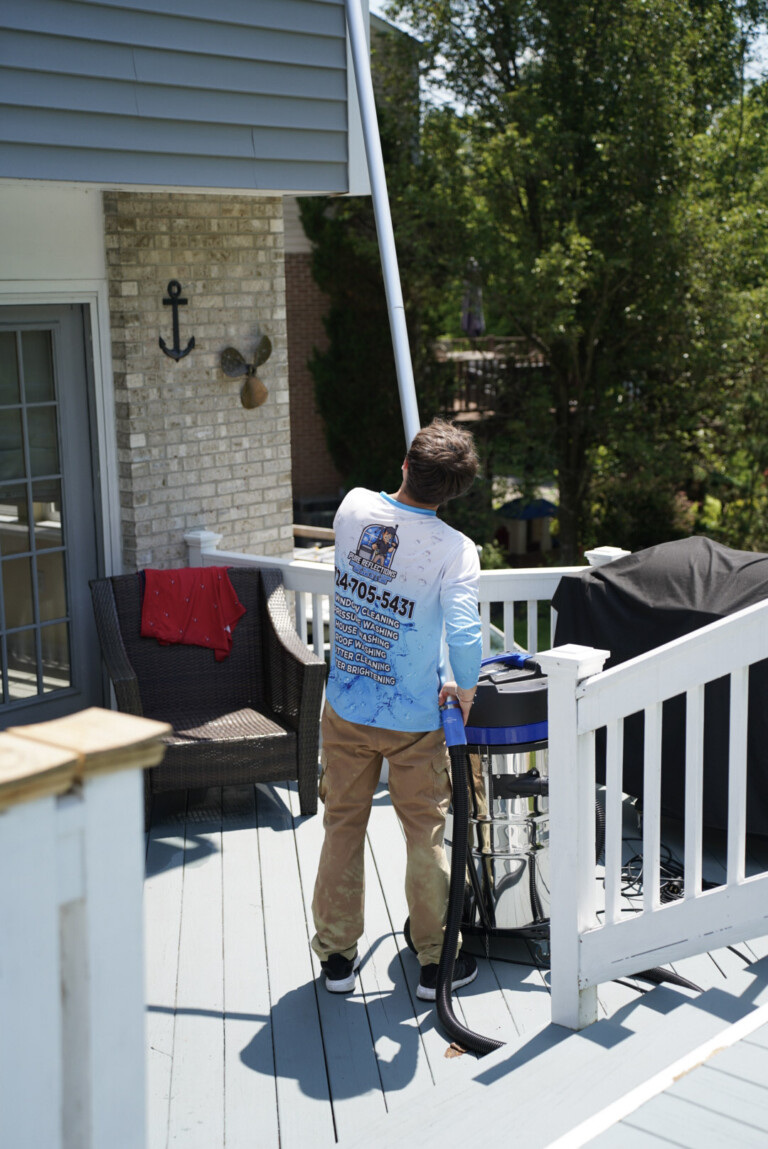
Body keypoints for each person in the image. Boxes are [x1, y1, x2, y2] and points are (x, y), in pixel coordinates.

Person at [310, 417, 483, 1001]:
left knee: (342, 826)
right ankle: (435, 963)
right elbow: (465, 634)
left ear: (406, 465)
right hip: (415, 720)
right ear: (454, 493)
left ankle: (337, 958)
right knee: (425, 835)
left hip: (347, 709)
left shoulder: (353, 508)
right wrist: (465, 691)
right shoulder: (456, 550)